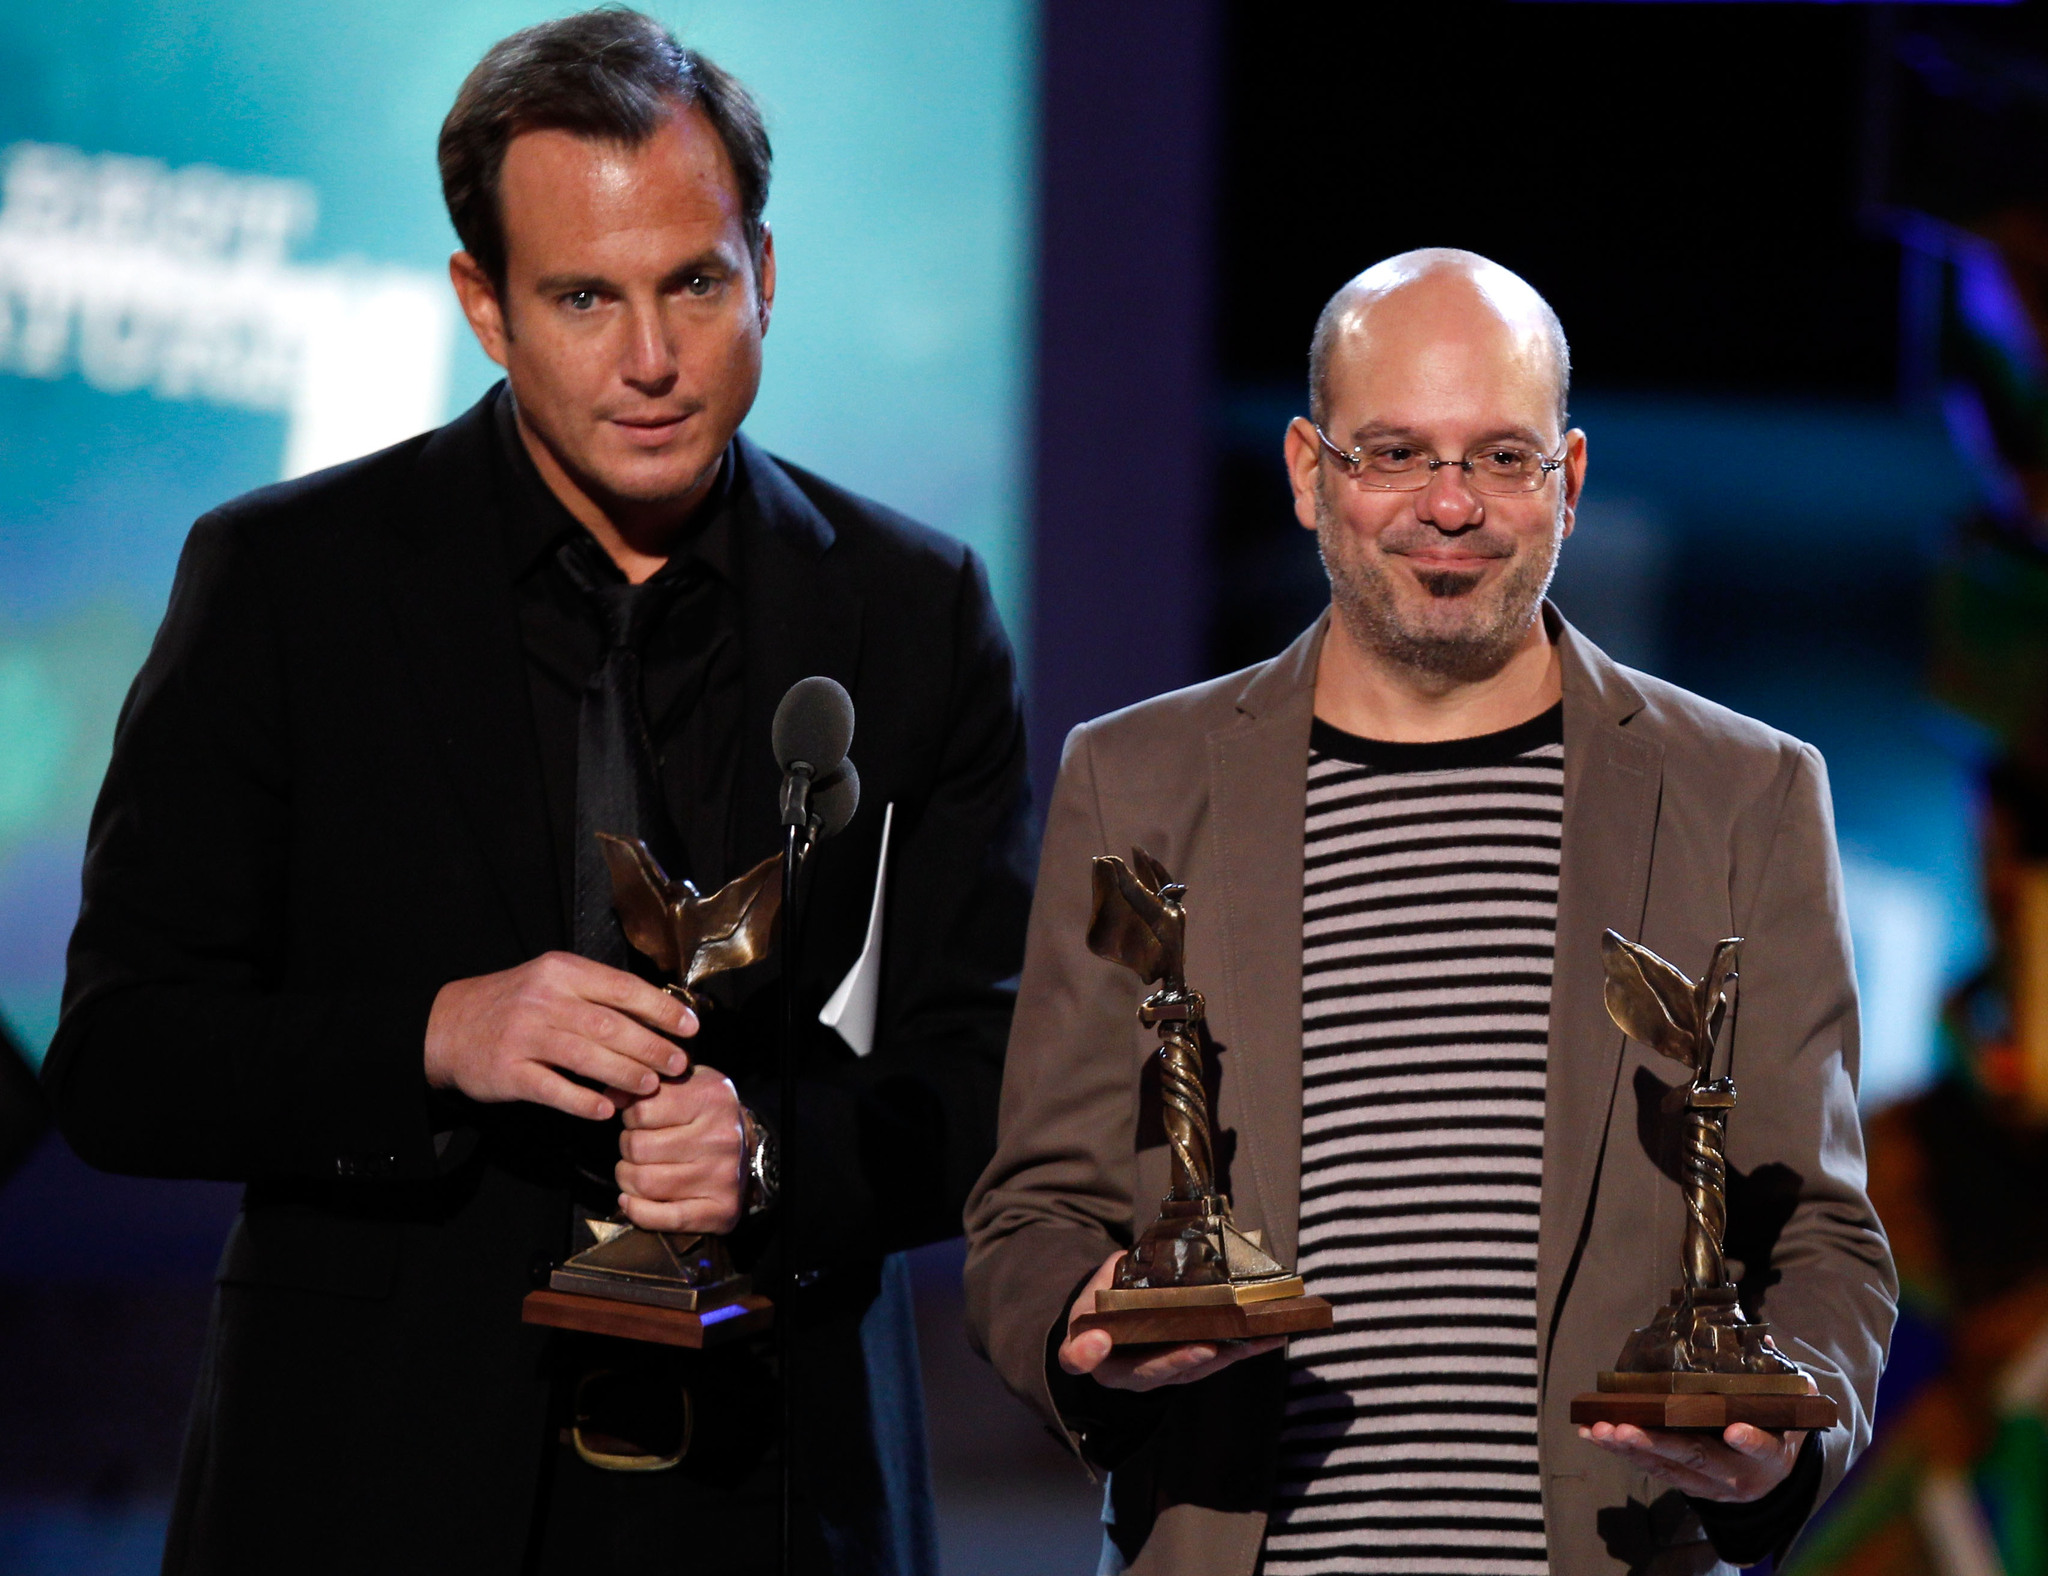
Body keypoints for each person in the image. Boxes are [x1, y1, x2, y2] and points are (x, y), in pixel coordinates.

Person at [43, 12, 1031, 1575]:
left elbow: (990, 1067)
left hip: (773, 1496)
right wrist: (438, 1033)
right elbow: (119, 1058)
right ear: (484, 307)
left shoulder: (912, 609)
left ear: (764, 274)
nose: (650, 359)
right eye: (584, 297)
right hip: (371, 1480)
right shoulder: (286, 584)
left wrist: (772, 1160)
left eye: (694, 285)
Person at [965, 248, 1895, 1575]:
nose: (1449, 506)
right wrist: (1089, 1319)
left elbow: (1822, 1232)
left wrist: (1781, 1429)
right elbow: (1032, 1216)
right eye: (1394, 453)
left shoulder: (1745, 792)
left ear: (1568, 481)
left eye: (1501, 458)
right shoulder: (1137, 780)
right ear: (1306, 470)